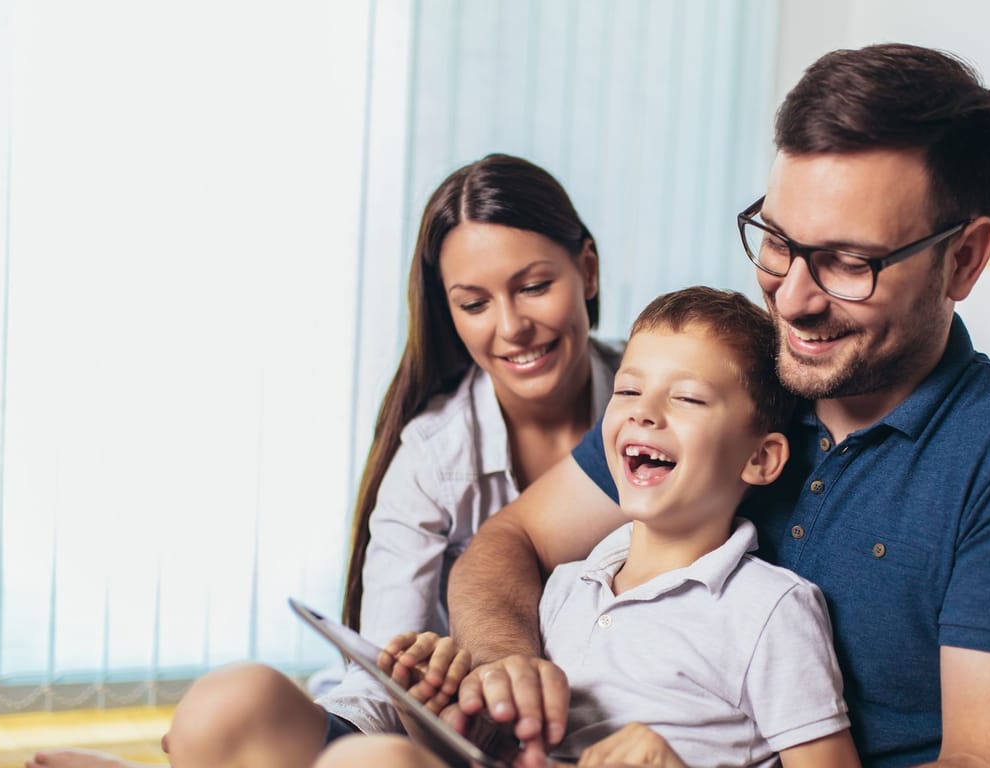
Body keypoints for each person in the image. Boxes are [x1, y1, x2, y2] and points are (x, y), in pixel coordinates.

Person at [445, 44, 990, 768]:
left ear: (964, 259)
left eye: (847, 262)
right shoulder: (730, 382)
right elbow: (509, 543)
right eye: (777, 241)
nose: (793, 299)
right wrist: (506, 666)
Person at [26, 153, 619, 768]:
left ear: (588, 269)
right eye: (474, 304)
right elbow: (379, 678)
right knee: (233, 701)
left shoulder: (668, 404)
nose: (512, 327)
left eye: (533, 287)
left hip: (578, 739)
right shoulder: (431, 457)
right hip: (449, 739)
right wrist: (422, 695)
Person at [313, 286, 862, 768]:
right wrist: (440, 718)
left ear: (761, 460)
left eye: (689, 398)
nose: (644, 413)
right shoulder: (566, 587)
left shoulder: (769, 610)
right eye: (627, 391)